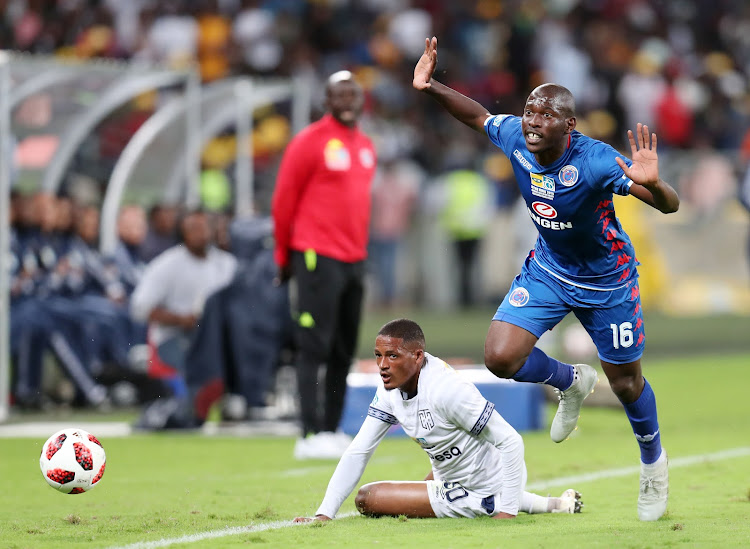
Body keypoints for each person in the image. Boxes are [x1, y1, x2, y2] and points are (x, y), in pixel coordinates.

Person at [413, 37, 680, 521]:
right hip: (550, 270)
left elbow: (668, 205)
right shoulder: (516, 136)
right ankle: (570, 382)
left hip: (608, 282)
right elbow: (476, 115)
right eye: (529, 112)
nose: (532, 122)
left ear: (569, 125)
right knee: (499, 356)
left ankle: (653, 463)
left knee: (625, 384)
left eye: (545, 115)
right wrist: (430, 86)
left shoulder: (596, 160)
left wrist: (656, 183)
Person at [294, 318, 583, 522]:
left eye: (392, 356)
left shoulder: (447, 390)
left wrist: (506, 511)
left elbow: (510, 441)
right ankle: (551, 504)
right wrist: (324, 513)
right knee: (427, 480)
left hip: (478, 489)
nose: (382, 366)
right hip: (453, 476)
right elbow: (359, 450)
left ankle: (498, 503)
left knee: (368, 498)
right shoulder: (390, 389)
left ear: (417, 356)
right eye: (378, 356)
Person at [271, 70, 377, 460]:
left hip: (354, 258)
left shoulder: (366, 145)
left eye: (353, 95)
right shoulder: (309, 142)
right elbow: (283, 202)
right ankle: (307, 432)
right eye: (339, 95)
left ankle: (331, 429)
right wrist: (283, 258)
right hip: (316, 254)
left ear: (361, 102)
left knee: (343, 348)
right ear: (327, 101)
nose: (347, 101)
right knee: (313, 346)